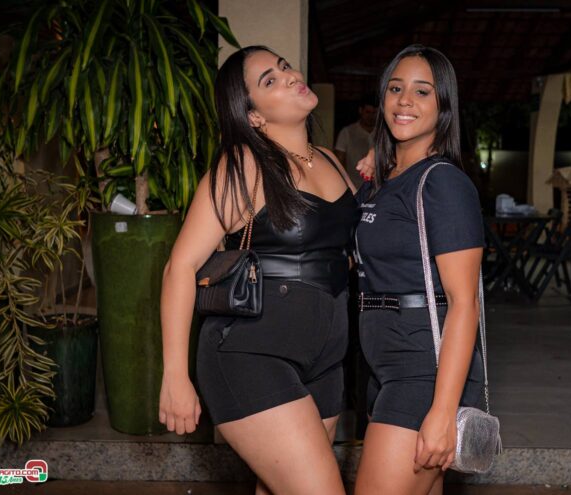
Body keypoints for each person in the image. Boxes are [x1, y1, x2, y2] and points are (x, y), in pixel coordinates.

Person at [158, 46, 357, 495]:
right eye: (270, 80)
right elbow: (180, 266)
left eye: (284, 67)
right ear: (253, 116)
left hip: (326, 360)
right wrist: (175, 374)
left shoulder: (331, 161)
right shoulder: (243, 165)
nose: (289, 76)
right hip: (250, 355)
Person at [353, 45, 485, 495]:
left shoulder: (443, 182)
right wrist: (375, 159)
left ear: (443, 105)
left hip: (422, 369)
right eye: (395, 88)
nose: (404, 100)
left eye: (422, 91)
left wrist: (443, 411)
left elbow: (465, 303)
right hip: (383, 363)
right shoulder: (383, 182)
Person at [334, 94, 378, 187]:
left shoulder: (383, 133)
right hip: (353, 185)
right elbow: (339, 161)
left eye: (374, 113)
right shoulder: (347, 132)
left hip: (378, 186)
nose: (371, 116)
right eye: (368, 112)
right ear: (360, 111)